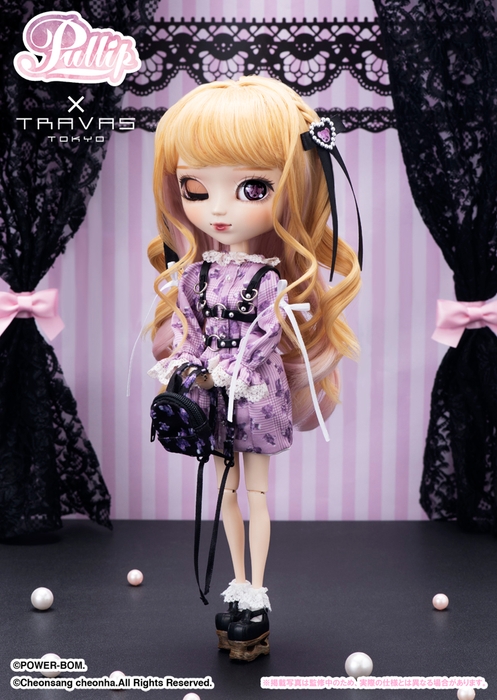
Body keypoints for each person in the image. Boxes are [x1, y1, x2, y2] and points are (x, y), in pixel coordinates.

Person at [147, 76, 361, 661]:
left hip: (254, 392)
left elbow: (267, 333)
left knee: (256, 493)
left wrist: (234, 366)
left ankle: (257, 593)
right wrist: (191, 363)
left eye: (251, 187)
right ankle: (237, 585)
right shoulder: (194, 275)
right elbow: (190, 327)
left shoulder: (269, 280)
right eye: (195, 188)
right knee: (225, 491)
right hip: (213, 391)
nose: (218, 209)